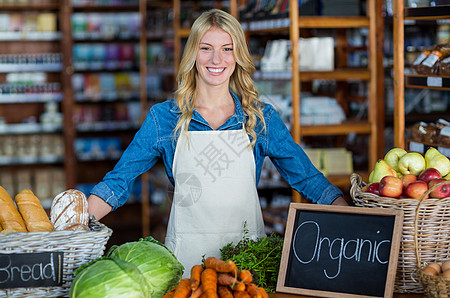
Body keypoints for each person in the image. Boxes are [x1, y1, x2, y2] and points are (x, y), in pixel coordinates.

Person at [87, 8, 348, 277]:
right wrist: (75, 225)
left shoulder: (259, 118)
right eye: (206, 48)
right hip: (186, 265)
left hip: (247, 264)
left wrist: (349, 215)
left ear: (238, 56)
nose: (216, 59)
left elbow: (306, 178)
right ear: (192, 55)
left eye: (227, 48)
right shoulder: (164, 119)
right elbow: (118, 182)